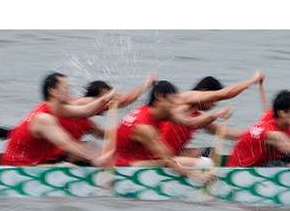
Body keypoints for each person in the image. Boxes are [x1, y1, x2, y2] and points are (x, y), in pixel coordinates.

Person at [101, 80, 232, 179]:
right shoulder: (144, 127)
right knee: (201, 163)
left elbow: (191, 123)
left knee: (203, 158)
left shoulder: (151, 111)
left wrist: (215, 115)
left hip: (135, 159)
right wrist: (196, 176)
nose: (175, 106)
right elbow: (168, 160)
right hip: (124, 168)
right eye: (172, 101)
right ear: (160, 96)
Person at [0, 72, 115, 166]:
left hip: (38, 161)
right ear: (53, 91)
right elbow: (66, 143)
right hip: (18, 166)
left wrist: (106, 98)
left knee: (91, 147)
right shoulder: (43, 119)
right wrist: (95, 159)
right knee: (69, 165)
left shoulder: (59, 109)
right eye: (66, 88)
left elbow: (86, 110)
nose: (69, 91)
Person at [160, 71, 264, 159]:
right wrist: (252, 80)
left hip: (172, 154)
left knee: (211, 153)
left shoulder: (198, 117)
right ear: (204, 92)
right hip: (158, 153)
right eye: (213, 100)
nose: (214, 104)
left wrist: (259, 133)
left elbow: (227, 133)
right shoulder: (184, 98)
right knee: (207, 158)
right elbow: (226, 94)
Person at [227, 90, 290, 167]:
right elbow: (285, 143)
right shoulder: (273, 133)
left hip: (261, 162)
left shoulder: (273, 115)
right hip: (241, 167)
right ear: (282, 113)